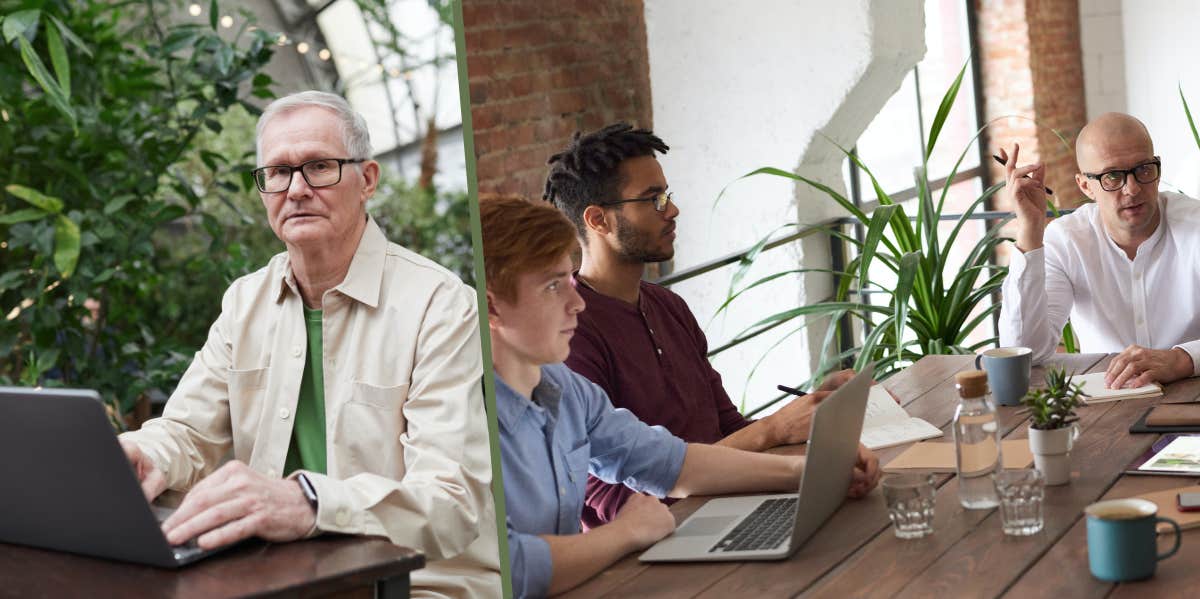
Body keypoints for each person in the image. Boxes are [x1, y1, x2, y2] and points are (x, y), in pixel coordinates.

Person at [117, 91, 499, 598]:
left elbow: (452, 501)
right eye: (277, 172)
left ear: (367, 181)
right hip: (280, 575)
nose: (296, 189)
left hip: (421, 581)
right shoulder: (244, 302)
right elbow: (188, 432)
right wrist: (144, 454)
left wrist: (309, 502)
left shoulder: (442, 305)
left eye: (319, 166)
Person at [480, 195, 880, 597]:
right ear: (491, 308)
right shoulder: (466, 423)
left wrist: (814, 472)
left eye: (569, 280)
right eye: (553, 287)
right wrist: (627, 532)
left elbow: (672, 463)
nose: (577, 303)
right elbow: (510, 569)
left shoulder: (565, 390)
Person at [541, 123, 861, 526]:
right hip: (658, 545)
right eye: (653, 200)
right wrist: (773, 432)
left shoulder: (667, 305)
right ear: (599, 220)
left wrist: (810, 413)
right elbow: (612, 504)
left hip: (730, 506)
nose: (671, 210)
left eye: (667, 195)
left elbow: (727, 427)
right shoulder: (570, 333)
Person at [998, 112, 1200, 390]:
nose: (1132, 188)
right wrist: (1030, 231)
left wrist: (1181, 360)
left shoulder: (1196, 225)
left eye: (1143, 169)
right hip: (1106, 402)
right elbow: (1024, 352)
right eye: (1113, 176)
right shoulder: (1067, 240)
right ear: (1085, 186)